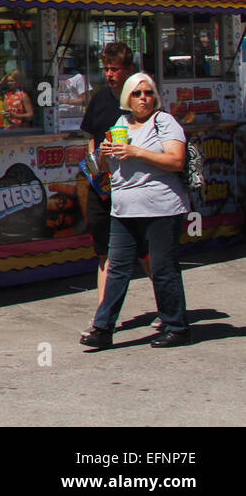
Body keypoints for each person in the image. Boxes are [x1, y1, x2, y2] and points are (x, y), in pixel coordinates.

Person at [81, 73, 193, 349]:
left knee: (163, 267)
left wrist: (136, 152)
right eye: (137, 94)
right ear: (127, 99)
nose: (144, 98)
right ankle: (103, 328)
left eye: (148, 93)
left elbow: (176, 160)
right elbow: (108, 170)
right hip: (124, 208)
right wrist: (104, 154)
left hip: (161, 207)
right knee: (117, 268)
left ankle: (176, 326)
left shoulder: (163, 122)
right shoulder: (121, 124)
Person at [79, 42, 154, 314]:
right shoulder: (99, 98)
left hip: (132, 184)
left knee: (144, 250)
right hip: (102, 184)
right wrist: (93, 165)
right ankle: (102, 315)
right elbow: (91, 137)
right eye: (106, 69)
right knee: (104, 251)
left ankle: (166, 304)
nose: (109, 74)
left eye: (115, 69)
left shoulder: (139, 99)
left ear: (129, 70)